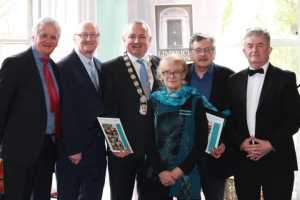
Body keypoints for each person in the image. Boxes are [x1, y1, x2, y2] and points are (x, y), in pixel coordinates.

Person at [227, 28, 300, 200]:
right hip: (244, 160)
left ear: (269, 49)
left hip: (278, 159)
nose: (254, 50)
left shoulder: (286, 78)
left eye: (260, 45)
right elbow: (228, 119)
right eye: (250, 45)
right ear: (244, 50)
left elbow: (294, 119)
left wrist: (270, 144)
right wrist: (241, 143)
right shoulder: (233, 80)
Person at [0, 17, 61, 200]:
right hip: (18, 151)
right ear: (33, 36)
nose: (48, 40)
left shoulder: (55, 69)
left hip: (47, 149)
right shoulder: (14, 64)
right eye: (44, 35)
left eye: (53, 37)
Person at [102, 21, 160, 200]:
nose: (137, 40)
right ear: (123, 40)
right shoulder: (109, 68)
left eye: (142, 36)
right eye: (132, 36)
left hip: (155, 150)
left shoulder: (161, 65)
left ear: (149, 40)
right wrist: (117, 145)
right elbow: (106, 109)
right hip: (123, 150)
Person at [145, 54, 208, 200]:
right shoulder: (153, 101)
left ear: (184, 74)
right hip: (158, 173)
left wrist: (180, 170)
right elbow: (147, 139)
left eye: (177, 71)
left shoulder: (195, 100)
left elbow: (201, 140)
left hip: (188, 171)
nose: (172, 76)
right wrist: (161, 171)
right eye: (167, 72)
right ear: (161, 75)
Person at [56, 22, 106, 200]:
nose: (89, 39)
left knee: (93, 195)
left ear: (98, 39)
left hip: (98, 150)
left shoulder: (101, 66)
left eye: (93, 35)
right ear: (74, 38)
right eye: (84, 35)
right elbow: (62, 111)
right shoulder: (62, 67)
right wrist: (72, 148)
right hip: (73, 151)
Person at [186, 33, 234, 200]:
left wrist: (225, 143)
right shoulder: (178, 74)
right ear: (190, 53)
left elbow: (235, 116)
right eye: (198, 50)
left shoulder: (229, 76)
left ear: (214, 53)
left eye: (207, 50)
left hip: (215, 154)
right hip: (186, 156)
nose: (203, 54)